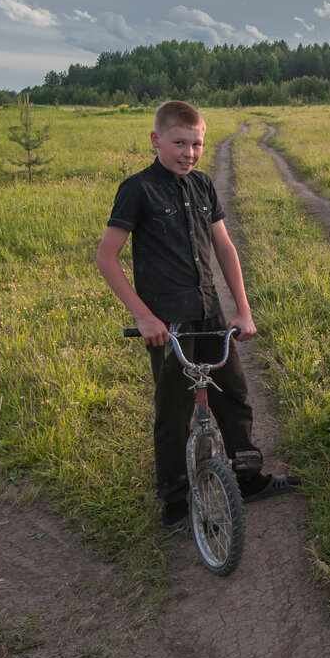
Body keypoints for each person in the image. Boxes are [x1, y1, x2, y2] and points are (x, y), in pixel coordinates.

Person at [96, 100, 299, 531]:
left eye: (197, 144)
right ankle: (174, 503)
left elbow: (224, 247)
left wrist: (241, 309)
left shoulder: (203, 186)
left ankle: (247, 478)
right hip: (168, 325)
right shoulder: (138, 189)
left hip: (210, 313)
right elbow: (106, 257)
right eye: (179, 143)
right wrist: (145, 317)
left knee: (234, 394)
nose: (189, 152)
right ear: (156, 141)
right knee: (174, 411)